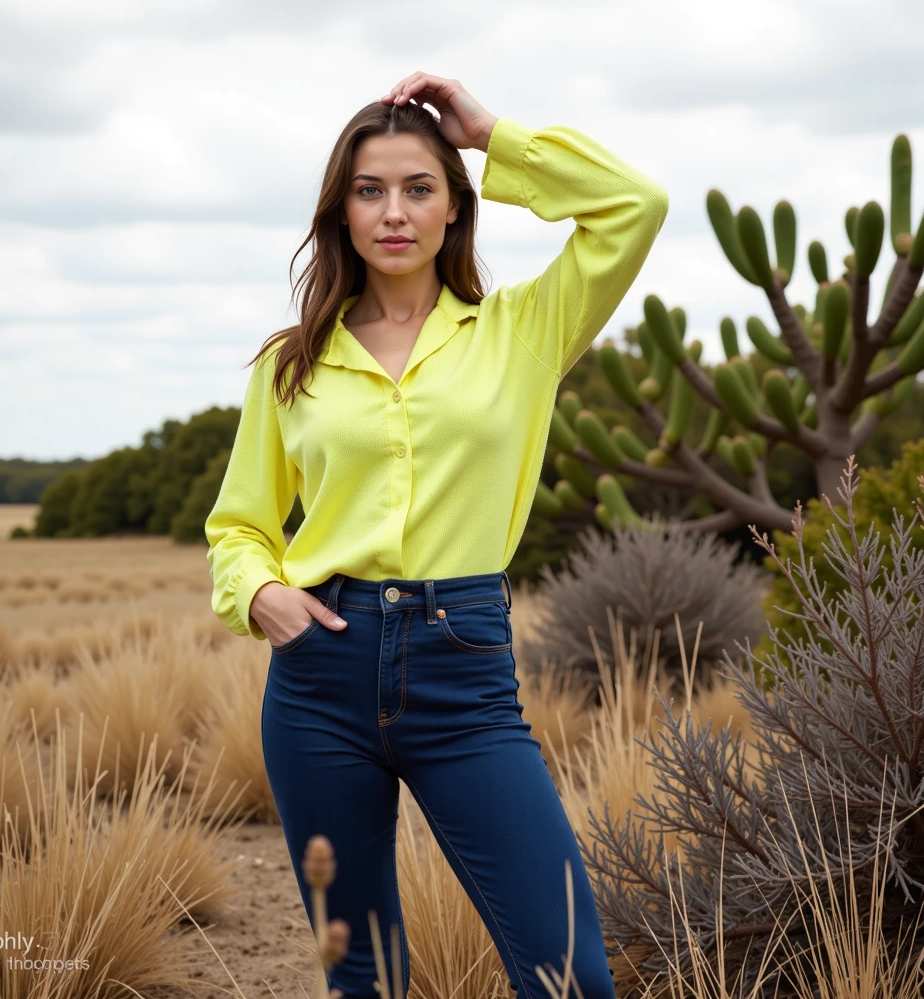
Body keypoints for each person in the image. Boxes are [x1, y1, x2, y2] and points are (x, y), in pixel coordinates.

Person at [205, 71, 669, 999]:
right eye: (369, 190)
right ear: (341, 212)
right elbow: (240, 524)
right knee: (362, 975)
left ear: (456, 207)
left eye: (419, 188)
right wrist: (260, 595)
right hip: (320, 677)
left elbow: (635, 206)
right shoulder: (290, 364)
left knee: (568, 970)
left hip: (463, 670)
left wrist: (491, 135)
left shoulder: (525, 330)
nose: (394, 212)